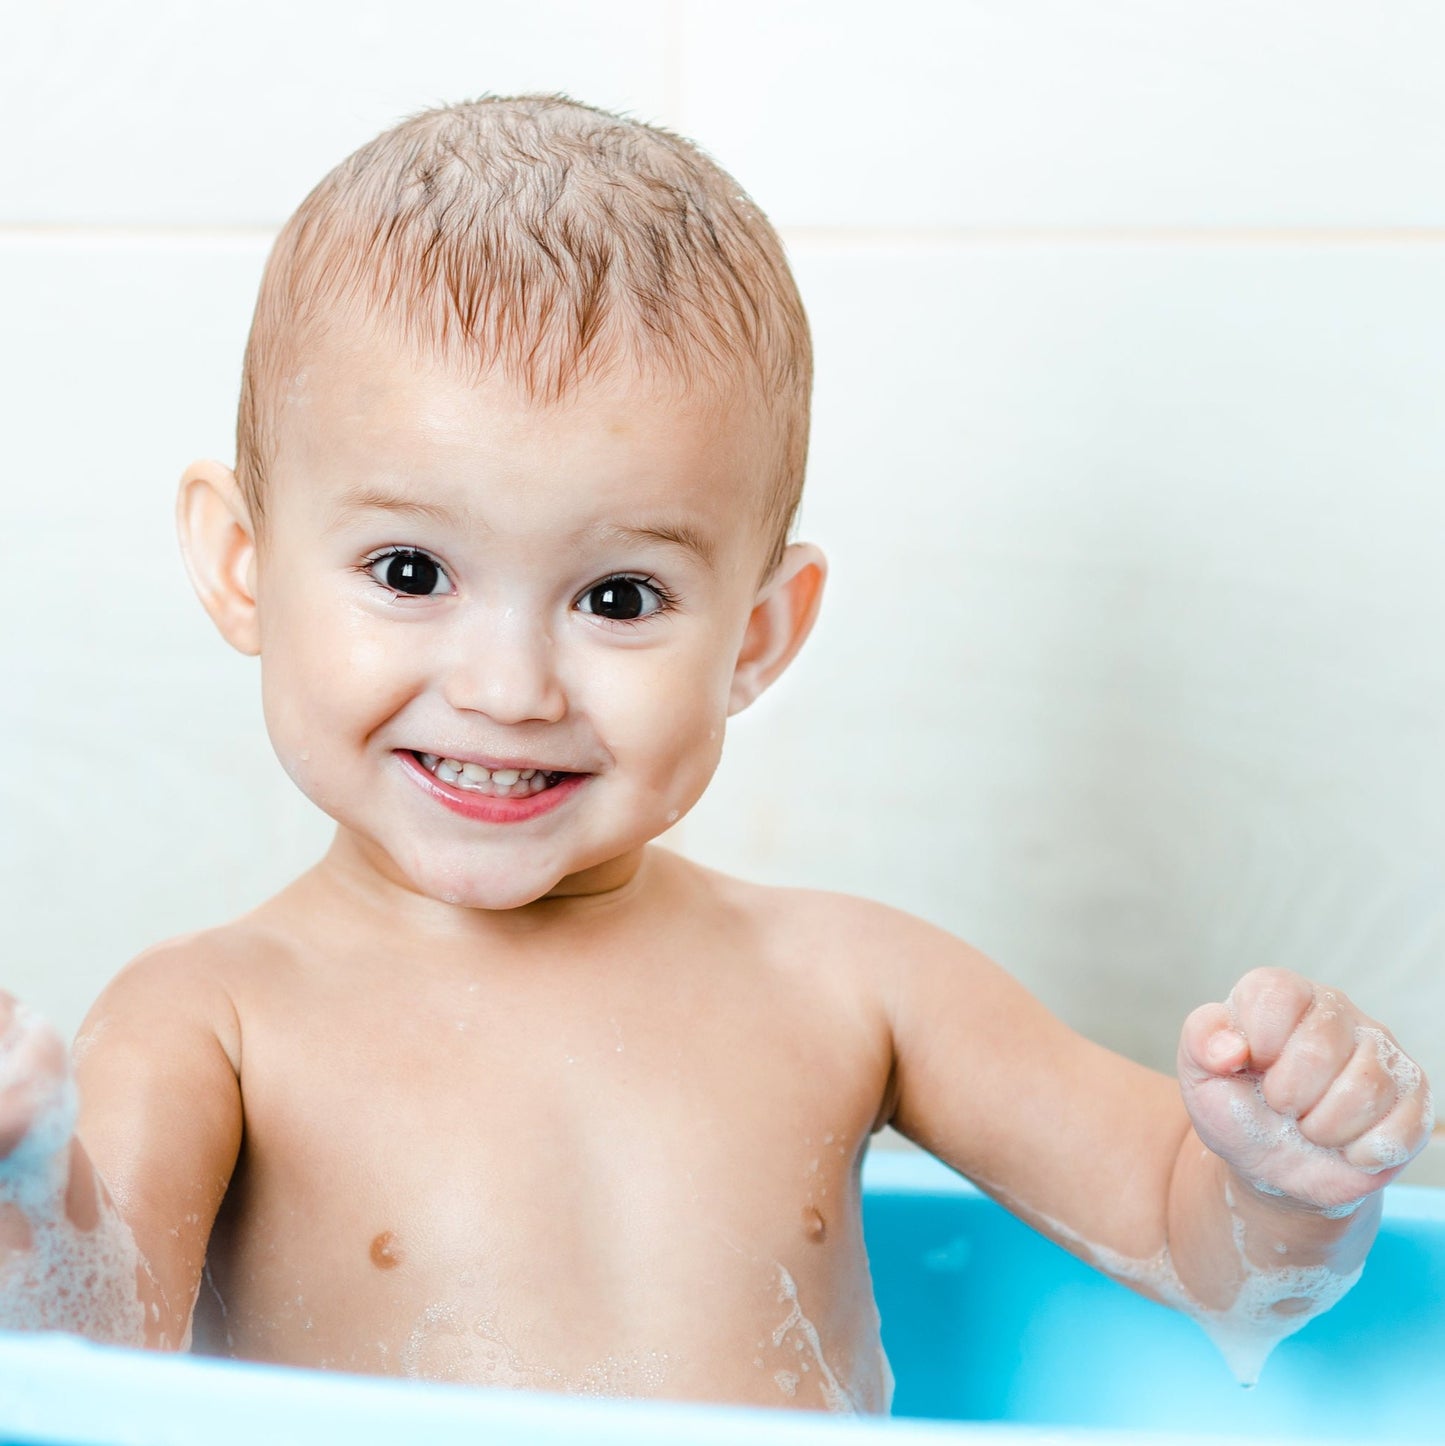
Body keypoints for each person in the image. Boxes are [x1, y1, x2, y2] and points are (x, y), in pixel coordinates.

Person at [0, 94, 1431, 1413]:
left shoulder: (852, 984)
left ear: (755, 635)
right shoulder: (211, 1020)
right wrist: (14, 1192)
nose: (506, 687)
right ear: (245, 565)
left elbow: (1206, 1250)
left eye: (617, 597)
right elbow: (86, 1356)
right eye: (408, 569)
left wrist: (1285, 1182)